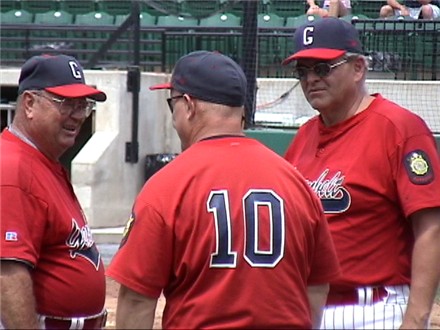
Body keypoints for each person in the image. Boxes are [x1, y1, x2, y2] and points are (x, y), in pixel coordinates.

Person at [106, 50, 341, 329]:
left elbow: (137, 300)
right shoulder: (296, 182)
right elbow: (316, 286)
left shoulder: (167, 186)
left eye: (173, 105)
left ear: (189, 106)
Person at [281, 17, 440, 329]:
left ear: (358, 68)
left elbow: (431, 229)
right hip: (306, 308)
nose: (311, 78)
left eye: (323, 68)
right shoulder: (304, 137)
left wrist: (416, 318)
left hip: (374, 309)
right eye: (303, 71)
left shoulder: (399, 129)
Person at [0, 54, 108, 329]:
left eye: (83, 105)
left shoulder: (43, 161)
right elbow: (7, 272)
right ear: (30, 104)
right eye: (66, 103)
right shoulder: (12, 166)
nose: (78, 115)